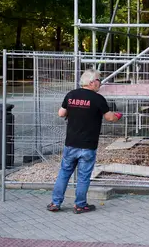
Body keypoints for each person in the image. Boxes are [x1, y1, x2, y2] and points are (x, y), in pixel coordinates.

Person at [47, 69, 122, 214]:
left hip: (71, 143)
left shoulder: (71, 95)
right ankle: (80, 205)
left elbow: (61, 113)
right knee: (83, 176)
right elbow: (110, 118)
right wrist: (118, 115)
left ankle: (55, 203)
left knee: (64, 173)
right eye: (99, 80)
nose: (100, 83)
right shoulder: (98, 99)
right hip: (88, 145)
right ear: (92, 82)